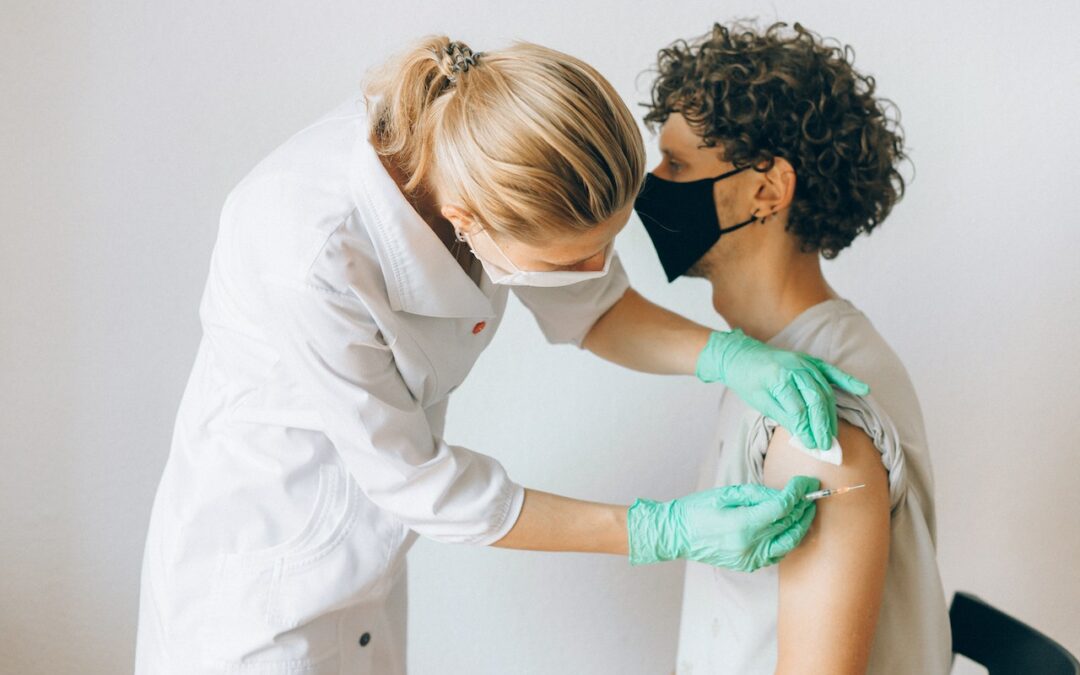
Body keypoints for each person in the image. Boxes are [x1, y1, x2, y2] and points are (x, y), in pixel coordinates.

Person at [134, 37, 866, 674]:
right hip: (257, 601)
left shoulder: (493, 128)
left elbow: (597, 308)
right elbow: (421, 483)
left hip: (363, 578)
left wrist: (733, 356)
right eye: (578, 256)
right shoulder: (308, 249)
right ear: (467, 222)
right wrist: (659, 529)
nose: (599, 270)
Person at [634, 21, 951, 675]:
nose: (652, 184)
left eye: (677, 164)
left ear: (767, 190)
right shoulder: (769, 361)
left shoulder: (814, 423)